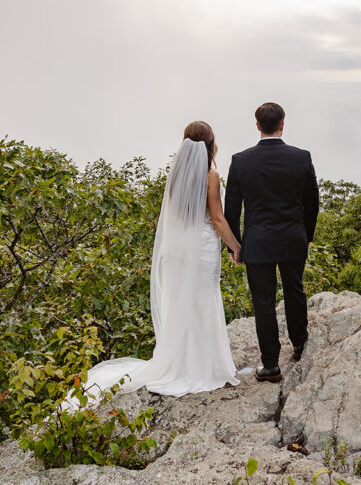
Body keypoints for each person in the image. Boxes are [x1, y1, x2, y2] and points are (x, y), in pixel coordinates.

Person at [72, 121, 241, 405]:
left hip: (177, 249)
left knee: (182, 304)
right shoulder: (210, 175)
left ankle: (181, 363)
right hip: (200, 248)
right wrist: (236, 247)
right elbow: (217, 219)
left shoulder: (176, 175)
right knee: (202, 301)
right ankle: (203, 367)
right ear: (211, 144)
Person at [225, 102, 319, 382]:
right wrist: (308, 236)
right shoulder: (301, 157)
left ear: (257, 126)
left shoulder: (241, 160)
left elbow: (232, 208)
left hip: (258, 242)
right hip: (293, 238)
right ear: (282, 125)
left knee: (263, 301)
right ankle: (300, 344)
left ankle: (270, 365)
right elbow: (312, 203)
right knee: (294, 290)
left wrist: (235, 246)